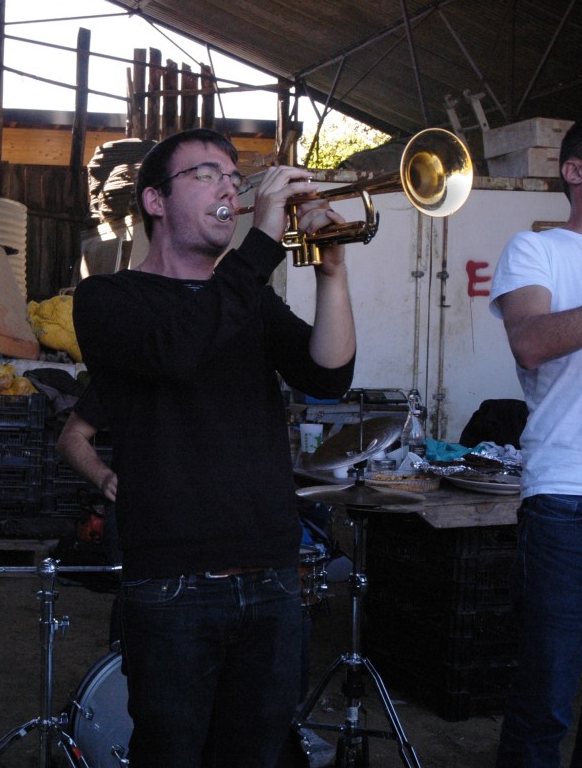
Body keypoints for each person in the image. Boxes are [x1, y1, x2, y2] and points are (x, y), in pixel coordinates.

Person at [71, 127, 356, 768]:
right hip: (173, 581)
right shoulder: (108, 298)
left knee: (258, 755)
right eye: (205, 174)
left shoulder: (250, 299)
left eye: (233, 176)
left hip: (272, 572)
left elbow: (328, 376)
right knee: (170, 754)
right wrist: (263, 240)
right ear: (154, 201)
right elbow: (176, 352)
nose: (229, 187)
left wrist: (332, 274)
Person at [490, 104, 582, 768]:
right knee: (543, 707)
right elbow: (530, 342)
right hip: (573, 505)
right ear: (575, 170)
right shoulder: (539, 250)